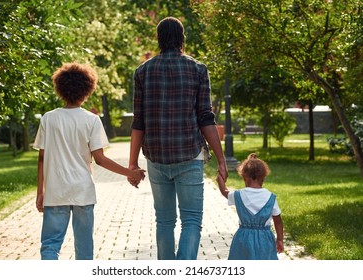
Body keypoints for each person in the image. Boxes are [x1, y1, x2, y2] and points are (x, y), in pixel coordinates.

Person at [128, 17, 228, 260]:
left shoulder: (143, 71)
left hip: (156, 157)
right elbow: (206, 117)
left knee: (164, 221)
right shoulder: (198, 69)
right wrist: (221, 159)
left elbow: (138, 121)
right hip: (189, 155)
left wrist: (132, 164)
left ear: (159, 39)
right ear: (182, 38)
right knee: (191, 220)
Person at [33, 62, 145, 260]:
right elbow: (100, 159)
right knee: (84, 249)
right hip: (82, 192)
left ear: (60, 88)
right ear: (87, 89)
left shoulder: (48, 119)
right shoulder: (91, 120)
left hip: (55, 191)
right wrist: (131, 173)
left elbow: (41, 158)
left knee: (50, 245)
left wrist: (40, 192)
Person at [216, 153, 284, 260]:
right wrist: (280, 239)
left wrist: (220, 181)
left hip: (243, 239)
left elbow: (225, 192)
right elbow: (278, 220)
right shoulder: (271, 197)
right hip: (265, 240)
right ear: (264, 177)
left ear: (244, 177)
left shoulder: (238, 195)